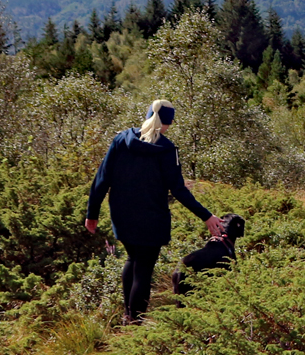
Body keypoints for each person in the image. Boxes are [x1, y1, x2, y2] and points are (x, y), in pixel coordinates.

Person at [86, 99, 224, 323]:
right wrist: (206, 216)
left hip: (122, 215)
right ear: (168, 123)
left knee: (132, 258)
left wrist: (91, 214)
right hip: (151, 218)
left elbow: (102, 178)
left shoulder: (121, 139)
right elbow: (178, 190)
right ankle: (135, 323)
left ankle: (127, 316)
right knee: (143, 270)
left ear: (148, 114)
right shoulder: (166, 149)